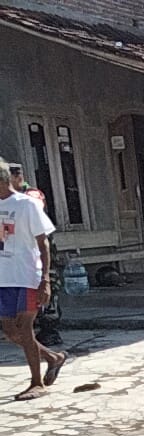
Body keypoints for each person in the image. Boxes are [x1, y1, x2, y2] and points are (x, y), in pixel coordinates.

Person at [0, 157, 66, 401]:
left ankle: (36, 382)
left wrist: (45, 279)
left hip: (27, 275)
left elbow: (43, 243)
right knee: (10, 331)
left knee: (25, 329)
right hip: (3, 278)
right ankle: (53, 357)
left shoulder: (27, 204)